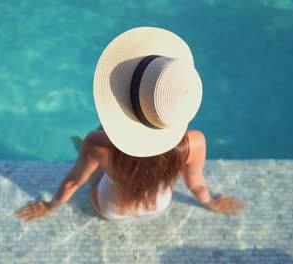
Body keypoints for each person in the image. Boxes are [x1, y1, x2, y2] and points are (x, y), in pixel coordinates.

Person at [16, 27, 245, 223]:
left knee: (97, 141)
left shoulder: (98, 143)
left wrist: (49, 207)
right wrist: (213, 203)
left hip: (112, 210)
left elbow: (74, 181)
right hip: (157, 207)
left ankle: (87, 146)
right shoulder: (195, 142)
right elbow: (196, 184)